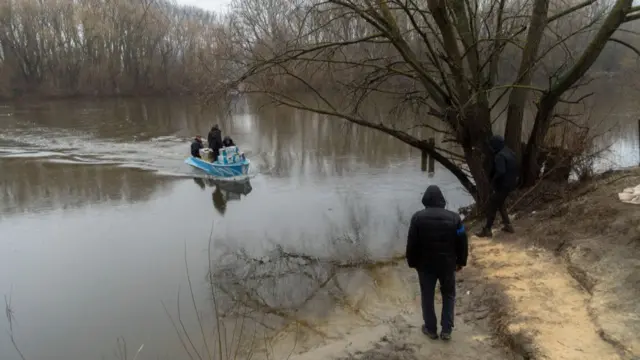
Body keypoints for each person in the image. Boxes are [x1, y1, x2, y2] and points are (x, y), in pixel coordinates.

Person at [406, 185, 468, 341]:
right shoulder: (455, 218)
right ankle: (446, 329)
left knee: (427, 296)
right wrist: (461, 261)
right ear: (442, 200)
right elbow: (462, 241)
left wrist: (412, 262)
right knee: (448, 294)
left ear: (425, 200)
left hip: (425, 266)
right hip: (447, 265)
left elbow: (412, 243)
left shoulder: (417, 218)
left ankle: (430, 329)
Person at [476, 135, 518, 238]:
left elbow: (501, 171)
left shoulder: (500, 156)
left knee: (492, 204)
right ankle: (508, 225)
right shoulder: (510, 152)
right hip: (511, 183)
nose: (491, 147)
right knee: (500, 202)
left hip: (503, 185)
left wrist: (493, 181)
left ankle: (487, 230)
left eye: (492, 145)